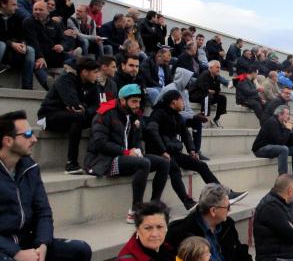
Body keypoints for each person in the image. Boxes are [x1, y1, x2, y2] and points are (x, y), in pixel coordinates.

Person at [0, 110, 92, 261]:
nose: (35, 138)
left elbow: (43, 211)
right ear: (8, 140)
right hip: (3, 245)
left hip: (27, 239)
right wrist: (16, 253)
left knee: (81, 251)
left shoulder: (29, 166)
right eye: (28, 134)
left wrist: (42, 245)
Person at [84, 84, 170, 223]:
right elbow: (100, 143)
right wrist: (126, 152)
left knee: (164, 163)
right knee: (143, 163)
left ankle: (154, 206)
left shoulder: (134, 114)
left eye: (139, 101)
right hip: (104, 160)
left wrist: (138, 150)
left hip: (125, 157)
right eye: (134, 101)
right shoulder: (105, 113)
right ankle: (135, 211)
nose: (138, 105)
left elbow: (136, 140)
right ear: (123, 100)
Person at [145, 90, 247, 207]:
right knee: (174, 169)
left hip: (173, 152)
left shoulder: (176, 116)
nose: (183, 103)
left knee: (201, 165)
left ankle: (224, 195)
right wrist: (162, 151)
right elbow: (151, 131)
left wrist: (191, 150)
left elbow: (185, 134)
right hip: (159, 153)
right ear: (174, 102)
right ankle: (187, 202)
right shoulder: (158, 114)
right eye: (181, 100)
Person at [37, 57, 100, 174]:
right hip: (48, 116)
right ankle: (71, 162)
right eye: (95, 72)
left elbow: (96, 106)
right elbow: (74, 104)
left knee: (100, 118)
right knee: (78, 117)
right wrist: (83, 108)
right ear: (85, 72)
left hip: (73, 117)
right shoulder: (65, 80)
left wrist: (84, 109)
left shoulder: (92, 84)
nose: (98, 75)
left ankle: (96, 160)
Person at [157, 67, 208, 158]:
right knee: (182, 122)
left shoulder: (185, 92)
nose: (190, 82)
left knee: (197, 122)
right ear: (183, 78)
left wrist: (195, 116)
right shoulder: (170, 89)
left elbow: (187, 109)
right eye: (189, 79)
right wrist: (193, 117)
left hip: (178, 116)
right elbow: (172, 111)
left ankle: (196, 151)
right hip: (165, 116)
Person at [22, 1, 67, 89]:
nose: (37, 12)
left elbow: (63, 39)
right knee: (39, 65)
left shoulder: (55, 24)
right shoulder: (28, 22)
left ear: (47, 11)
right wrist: (40, 57)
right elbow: (32, 41)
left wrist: (61, 46)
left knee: (71, 58)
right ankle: (49, 85)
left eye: (40, 10)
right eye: (35, 9)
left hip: (52, 54)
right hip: (37, 54)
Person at [0, 0, 39, 89]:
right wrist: (11, 44)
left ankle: (27, 86)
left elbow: (21, 35)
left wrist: (23, 43)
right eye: (13, 5)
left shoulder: (16, 18)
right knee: (1, 45)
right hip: (4, 46)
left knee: (30, 50)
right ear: (3, 4)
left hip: (10, 50)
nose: (16, 7)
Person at [252, 105, 293, 176]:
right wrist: (287, 129)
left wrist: (290, 131)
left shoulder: (282, 123)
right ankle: (283, 177)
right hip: (260, 149)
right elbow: (280, 142)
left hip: (273, 147)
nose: (288, 116)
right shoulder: (272, 122)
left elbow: (292, 143)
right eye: (287, 114)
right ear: (280, 114)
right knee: (283, 149)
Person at [190, 61, 227, 128]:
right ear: (210, 67)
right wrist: (211, 91)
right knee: (207, 95)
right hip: (196, 95)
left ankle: (216, 118)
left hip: (207, 96)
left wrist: (212, 91)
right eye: (217, 67)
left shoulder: (217, 77)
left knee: (222, 97)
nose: (219, 69)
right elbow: (204, 89)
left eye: (219, 67)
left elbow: (218, 90)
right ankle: (204, 119)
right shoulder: (205, 74)